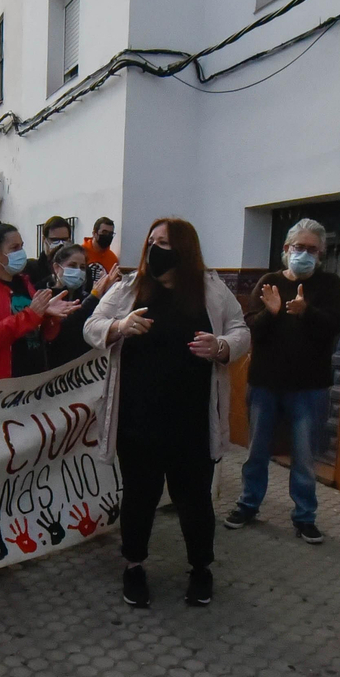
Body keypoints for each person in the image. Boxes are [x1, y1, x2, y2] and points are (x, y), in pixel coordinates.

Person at [84, 218, 250, 609]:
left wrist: (223, 346)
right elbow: (92, 326)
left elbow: (241, 329)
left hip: (192, 421)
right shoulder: (129, 287)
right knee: (139, 497)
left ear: (186, 250)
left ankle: (200, 569)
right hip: (138, 421)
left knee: (194, 500)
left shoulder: (210, 289)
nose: (157, 249)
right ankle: (134, 566)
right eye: (153, 241)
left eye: (167, 243)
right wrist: (119, 326)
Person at [226, 219, 340, 543]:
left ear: (321, 254)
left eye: (311, 249)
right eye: (299, 247)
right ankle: (248, 505)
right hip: (265, 384)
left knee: (305, 456)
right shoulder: (269, 282)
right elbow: (252, 328)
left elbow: (333, 327)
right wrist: (273, 312)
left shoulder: (329, 284)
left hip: (310, 388)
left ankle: (305, 517)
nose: (304, 254)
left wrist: (306, 311)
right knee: (256, 451)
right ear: (286, 250)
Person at [0, 219, 75, 381]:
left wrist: (49, 317)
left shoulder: (24, 282)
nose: (21, 252)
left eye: (21, 246)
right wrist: (32, 314)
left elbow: (42, 334)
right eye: (14, 248)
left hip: (32, 378)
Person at [45, 243, 119, 368]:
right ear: (57, 268)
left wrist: (106, 296)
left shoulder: (86, 296)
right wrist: (94, 297)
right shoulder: (45, 295)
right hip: (55, 367)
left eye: (83, 267)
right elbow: (63, 329)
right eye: (72, 266)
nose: (78, 271)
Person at [82, 216, 119, 289]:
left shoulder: (113, 259)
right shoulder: (81, 251)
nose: (107, 236)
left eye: (110, 233)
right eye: (104, 232)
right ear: (94, 233)